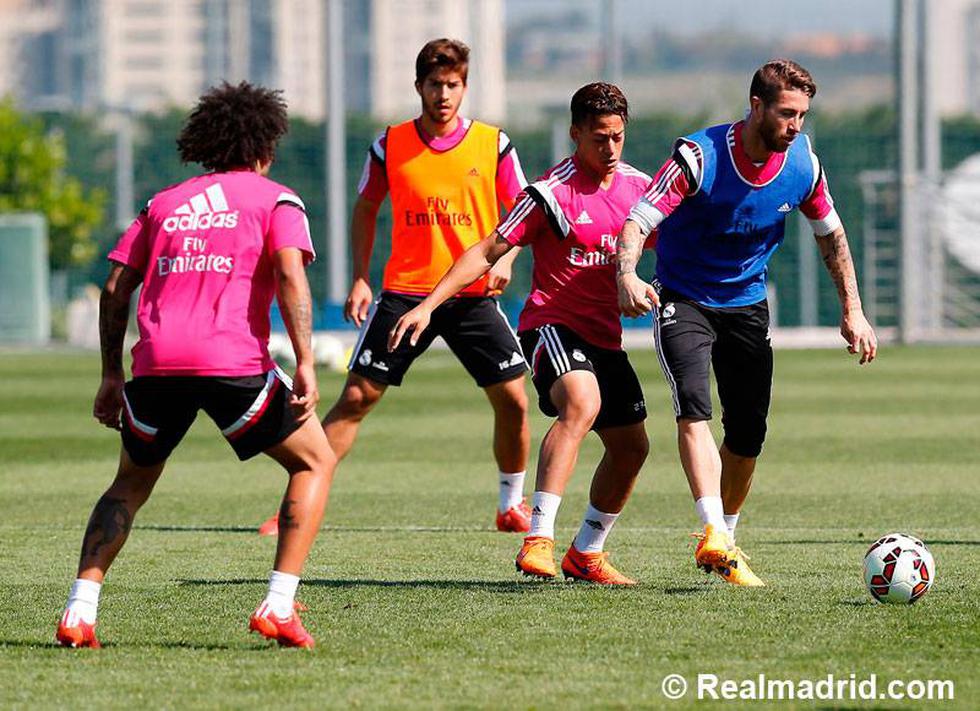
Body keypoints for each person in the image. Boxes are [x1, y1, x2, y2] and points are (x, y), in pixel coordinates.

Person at [55, 82, 336, 649]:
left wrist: (112, 374)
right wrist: (306, 360)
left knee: (128, 485)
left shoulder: (163, 203)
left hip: (157, 364)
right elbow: (289, 276)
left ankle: (79, 610)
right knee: (315, 461)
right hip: (232, 361)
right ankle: (279, 605)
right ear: (266, 145)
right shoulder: (276, 200)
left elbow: (115, 286)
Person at [616, 59, 878, 586]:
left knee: (748, 434)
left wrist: (853, 307)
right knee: (694, 408)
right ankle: (711, 529)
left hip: (747, 306)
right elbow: (639, 219)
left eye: (803, 114)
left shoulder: (803, 164)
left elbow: (832, 235)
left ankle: (726, 543)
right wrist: (627, 274)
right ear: (756, 105)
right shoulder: (698, 157)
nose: (796, 125)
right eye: (786, 113)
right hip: (683, 298)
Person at [257, 38, 531, 537]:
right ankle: (295, 504)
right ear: (418, 87)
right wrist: (361, 276)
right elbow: (366, 208)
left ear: (464, 86)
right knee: (357, 397)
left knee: (513, 399)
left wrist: (508, 257)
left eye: (452, 85)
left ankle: (511, 503)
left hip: (472, 294)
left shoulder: (494, 144)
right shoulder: (390, 144)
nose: (443, 95)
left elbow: (523, 215)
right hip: (406, 294)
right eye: (434, 85)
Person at [391, 82, 651, 585]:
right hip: (552, 324)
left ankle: (587, 552)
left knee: (633, 449)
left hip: (605, 337)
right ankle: (538, 540)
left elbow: (673, 243)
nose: (611, 148)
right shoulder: (549, 194)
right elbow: (487, 251)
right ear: (575, 134)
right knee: (581, 402)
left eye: (618, 136)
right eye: (599, 138)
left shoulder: (639, 189)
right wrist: (429, 305)